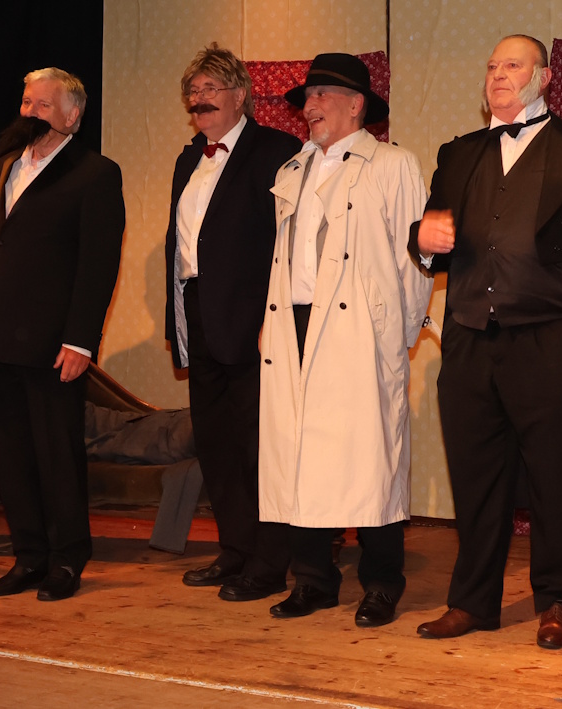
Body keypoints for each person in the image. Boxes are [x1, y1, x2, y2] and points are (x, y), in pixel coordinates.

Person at [412, 35, 562, 650]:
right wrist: (421, 239)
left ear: (544, 77)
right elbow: (435, 236)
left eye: (512, 65)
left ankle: (559, 601)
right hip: (470, 338)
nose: (498, 75)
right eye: (491, 66)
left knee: (554, 478)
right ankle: (471, 601)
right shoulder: (458, 153)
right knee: (475, 476)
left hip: (555, 337)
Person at [258, 53, 432, 628]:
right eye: (306, 98)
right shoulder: (292, 170)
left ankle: (381, 584)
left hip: (362, 330)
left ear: (356, 105)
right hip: (295, 324)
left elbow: (414, 259)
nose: (309, 107)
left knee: (370, 457)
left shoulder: (392, 164)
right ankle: (313, 579)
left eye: (321, 96)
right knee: (303, 454)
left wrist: (397, 333)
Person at [0, 67, 124, 602]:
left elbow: (98, 263)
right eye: (27, 103)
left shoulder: (96, 173)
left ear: (73, 115)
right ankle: (28, 556)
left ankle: (67, 559)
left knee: (57, 455)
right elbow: (7, 240)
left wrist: (81, 340)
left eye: (43, 105)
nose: (31, 113)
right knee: (13, 455)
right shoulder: (5, 165)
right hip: (0, 334)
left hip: (54, 342)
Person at [166, 44, 300, 602]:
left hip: (255, 321)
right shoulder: (188, 160)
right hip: (198, 314)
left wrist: (273, 317)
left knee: (257, 447)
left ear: (240, 95)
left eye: (210, 90)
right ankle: (235, 549)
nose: (199, 101)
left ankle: (270, 561)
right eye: (193, 92)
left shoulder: (277, 151)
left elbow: (288, 242)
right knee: (217, 443)